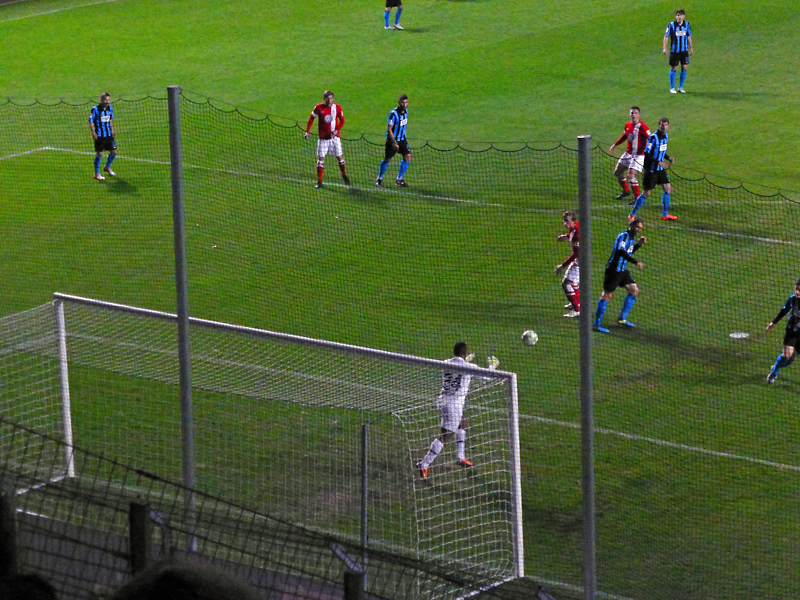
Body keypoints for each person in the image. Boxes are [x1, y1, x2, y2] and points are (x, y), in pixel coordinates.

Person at [417, 342, 499, 481]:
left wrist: (466, 361)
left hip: (443, 400)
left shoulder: (446, 362)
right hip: (453, 404)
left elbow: (457, 369)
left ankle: (460, 457)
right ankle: (424, 464)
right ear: (465, 354)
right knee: (445, 435)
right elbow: (487, 377)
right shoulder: (469, 367)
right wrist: (493, 365)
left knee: (462, 422)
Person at [593, 217, 646, 333]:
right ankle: (596, 324)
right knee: (607, 295)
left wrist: (638, 245)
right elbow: (620, 252)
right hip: (613, 270)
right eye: (637, 227)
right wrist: (636, 262)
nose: (638, 230)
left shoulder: (632, 238)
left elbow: (628, 252)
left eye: (640, 228)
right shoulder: (623, 236)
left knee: (634, 290)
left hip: (622, 270)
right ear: (631, 225)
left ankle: (621, 318)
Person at [628, 118, 677, 221]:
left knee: (668, 189)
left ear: (668, 126)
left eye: (666, 125)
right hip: (651, 170)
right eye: (662, 125)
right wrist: (658, 162)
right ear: (659, 126)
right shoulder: (653, 138)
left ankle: (665, 214)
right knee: (646, 193)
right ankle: (632, 214)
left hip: (660, 170)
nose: (664, 127)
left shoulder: (666, 137)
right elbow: (647, 153)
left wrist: (668, 159)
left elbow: (662, 151)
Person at [303, 91, 351, 189]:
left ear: (333, 99)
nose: (329, 100)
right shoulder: (318, 108)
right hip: (323, 138)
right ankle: (319, 181)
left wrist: (336, 130)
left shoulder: (337, 108)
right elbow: (311, 119)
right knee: (321, 159)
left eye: (331, 98)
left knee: (340, 158)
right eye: (327, 98)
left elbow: (342, 120)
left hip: (335, 138)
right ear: (324, 99)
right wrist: (307, 131)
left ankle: (344, 175)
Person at [608, 107, 650, 202]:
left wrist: (649, 149)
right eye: (631, 113)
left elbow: (651, 138)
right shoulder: (628, 125)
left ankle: (637, 198)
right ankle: (626, 191)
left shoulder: (643, 127)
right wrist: (615, 144)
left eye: (635, 113)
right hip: (628, 153)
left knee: (631, 175)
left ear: (639, 114)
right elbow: (625, 136)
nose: (633, 115)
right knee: (617, 172)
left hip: (638, 155)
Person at [765, 279, 800, 384]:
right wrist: (774, 322)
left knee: (790, 360)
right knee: (787, 355)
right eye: (796, 289)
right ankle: (774, 371)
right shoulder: (792, 299)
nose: (797, 292)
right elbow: (784, 310)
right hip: (791, 332)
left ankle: (777, 366)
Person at [376, 94, 411, 187]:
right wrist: (394, 142)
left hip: (402, 139)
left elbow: (403, 126)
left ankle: (399, 179)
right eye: (403, 102)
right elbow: (389, 129)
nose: (405, 104)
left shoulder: (406, 112)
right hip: (392, 140)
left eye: (406, 102)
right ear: (399, 103)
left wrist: (404, 137)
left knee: (407, 156)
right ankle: (379, 178)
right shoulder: (393, 114)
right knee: (387, 159)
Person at [554, 210, 580, 318]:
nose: (565, 223)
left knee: (566, 283)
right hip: (582, 260)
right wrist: (565, 236)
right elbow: (571, 232)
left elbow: (576, 253)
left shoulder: (577, 234)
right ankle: (577, 303)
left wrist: (562, 266)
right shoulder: (575, 227)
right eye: (564, 221)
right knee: (573, 283)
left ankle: (577, 309)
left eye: (567, 221)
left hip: (580, 261)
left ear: (573, 221)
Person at [88, 92, 117, 180]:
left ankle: (107, 167)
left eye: (108, 100)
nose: (107, 101)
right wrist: (93, 132)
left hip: (108, 135)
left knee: (114, 152)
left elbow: (110, 120)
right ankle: (96, 174)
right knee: (100, 154)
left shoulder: (110, 108)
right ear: (101, 100)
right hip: (100, 136)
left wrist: (112, 130)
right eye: (105, 100)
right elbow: (90, 121)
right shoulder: (95, 109)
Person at [663, 9, 693, 94]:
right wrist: (664, 47)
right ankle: (672, 87)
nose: (678, 17)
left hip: (684, 51)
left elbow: (689, 36)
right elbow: (666, 36)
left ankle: (681, 87)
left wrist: (691, 48)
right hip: (675, 51)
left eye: (680, 15)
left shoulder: (687, 25)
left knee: (684, 67)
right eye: (677, 15)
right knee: (674, 68)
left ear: (684, 16)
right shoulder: (671, 25)